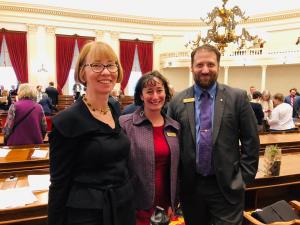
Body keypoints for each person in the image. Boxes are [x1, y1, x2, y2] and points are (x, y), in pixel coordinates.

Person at [168, 44, 259, 225]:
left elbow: (251, 141)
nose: (205, 70)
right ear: (191, 67)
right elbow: (172, 144)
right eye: (199, 65)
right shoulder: (177, 100)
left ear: (218, 66)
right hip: (191, 189)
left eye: (210, 64)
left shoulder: (237, 97)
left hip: (227, 187)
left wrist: (242, 179)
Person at [48, 41, 135, 225]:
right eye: (96, 65)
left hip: (122, 207)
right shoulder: (67, 121)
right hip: (87, 215)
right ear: (82, 72)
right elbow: (59, 184)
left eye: (111, 65)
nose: (106, 72)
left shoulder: (114, 108)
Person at [119, 70, 180, 225]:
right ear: (141, 95)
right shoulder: (125, 124)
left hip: (166, 203)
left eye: (159, 91)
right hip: (136, 203)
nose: (155, 96)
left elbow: (178, 168)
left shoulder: (174, 127)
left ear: (166, 94)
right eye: (149, 91)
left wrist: (174, 201)